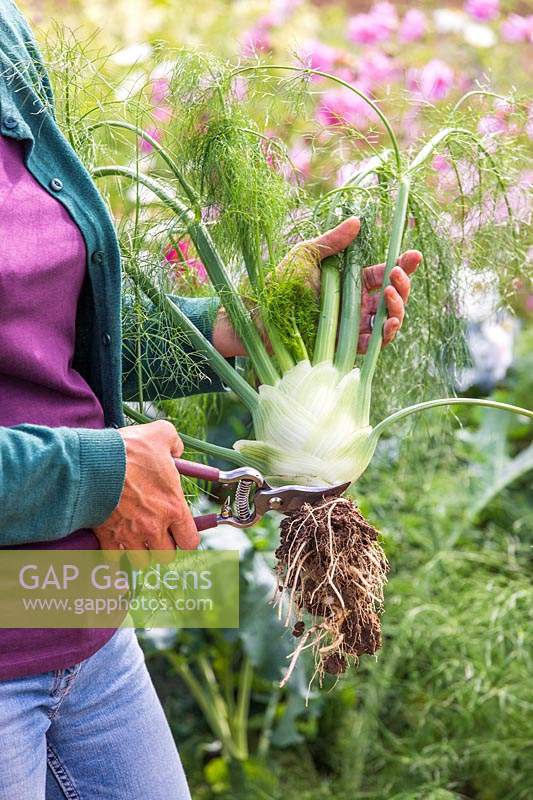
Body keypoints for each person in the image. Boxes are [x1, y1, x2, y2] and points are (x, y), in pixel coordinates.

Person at [0, 1, 421, 798]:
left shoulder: (3, 37)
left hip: (79, 614)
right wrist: (95, 476)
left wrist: (234, 326)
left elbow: (44, 335)